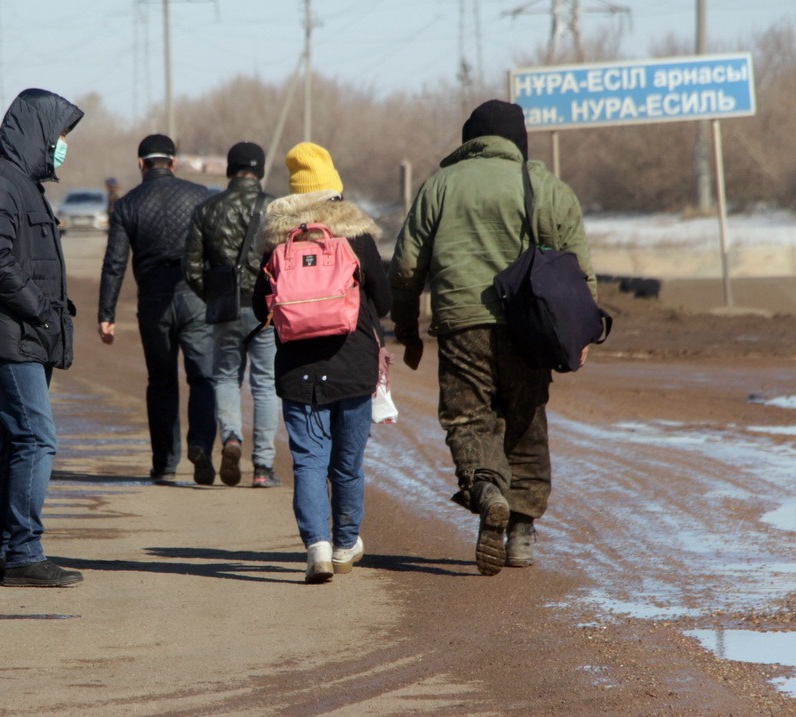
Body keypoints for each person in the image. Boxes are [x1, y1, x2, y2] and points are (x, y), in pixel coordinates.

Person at [387, 99, 595, 576]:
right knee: (525, 419)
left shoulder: (440, 184)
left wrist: (407, 329)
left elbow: (404, 267)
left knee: (469, 418)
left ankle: (487, 491)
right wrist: (580, 334)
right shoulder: (546, 186)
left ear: (471, 139)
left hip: (462, 322)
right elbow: (578, 271)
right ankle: (521, 533)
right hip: (532, 325)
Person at [0, 88, 84, 588]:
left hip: (26, 335)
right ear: (37, 132)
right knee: (36, 437)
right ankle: (22, 553)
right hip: (10, 335)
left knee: (19, 440)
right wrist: (39, 309)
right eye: (58, 136)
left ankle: (8, 549)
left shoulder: (22, 182)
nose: (61, 146)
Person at [252, 142, 391, 583]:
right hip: (353, 365)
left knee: (309, 461)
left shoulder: (277, 238)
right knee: (347, 464)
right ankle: (347, 543)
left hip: (297, 369)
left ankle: (318, 547)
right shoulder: (355, 233)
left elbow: (261, 307)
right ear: (332, 185)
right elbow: (383, 301)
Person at [99, 134, 217, 484]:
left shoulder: (127, 205)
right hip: (195, 298)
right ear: (174, 163)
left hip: (153, 302)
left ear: (141, 164)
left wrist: (107, 314)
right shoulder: (200, 196)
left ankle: (165, 463)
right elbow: (216, 252)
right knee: (202, 378)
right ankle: (200, 445)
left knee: (161, 382)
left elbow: (115, 263)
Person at [184, 141, 280, 488]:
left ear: (229, 169)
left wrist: (212, 296)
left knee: (225, 377)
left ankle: (231, 439)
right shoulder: (275, 208)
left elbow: (191, 267)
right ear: (261, 170)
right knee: (266, 384)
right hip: (266, 309)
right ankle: (263, 468)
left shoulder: (207, 209)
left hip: (224, 306)